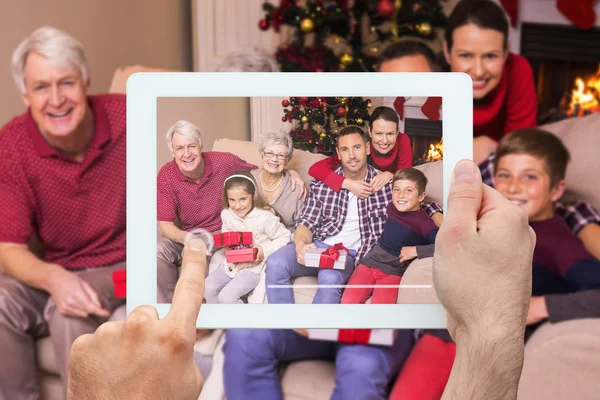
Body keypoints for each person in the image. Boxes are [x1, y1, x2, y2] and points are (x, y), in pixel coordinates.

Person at [390, 128, 600, 400]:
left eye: (530, 177)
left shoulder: (558, 243)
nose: (513, 187)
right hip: (441, 324)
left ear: (557, 189)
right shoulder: (491, 223)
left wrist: (542, 306)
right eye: (504, 176)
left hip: (470, 344)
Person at [0, 26, 126, 399]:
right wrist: (54, 278)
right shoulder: (12, 145)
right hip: (64, 269)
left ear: (85, 82)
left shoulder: (127, 117)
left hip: (128, 272)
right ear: (25, 94)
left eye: (66, 83)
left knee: (68, 309)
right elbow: (8, 249)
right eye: (41, 87)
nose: (56, 99)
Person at [156, 120, 305, 303]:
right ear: (172, 151)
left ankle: (193, 314)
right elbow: (165, 225)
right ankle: (166, 311)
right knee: (157, 250)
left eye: (192, 146)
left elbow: (264, 168)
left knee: (196, 251)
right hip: (184, 234)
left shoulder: (224, 161)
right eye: (179, 148)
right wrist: (188, 238)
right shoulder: (166, 175)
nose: (186, 154)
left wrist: (290, 172)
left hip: (216, 232)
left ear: (200, 146)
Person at [266, 125, 392, 304]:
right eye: (345, 150)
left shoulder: (385, 186)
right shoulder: (323, 185)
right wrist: (301, 245)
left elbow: (417, 205)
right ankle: (285, 328)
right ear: (338, 154)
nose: (352, 156)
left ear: (368, 148)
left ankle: (317, 332)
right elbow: (306, 222)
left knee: (329, 277)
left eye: (357, 147)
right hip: (318, 246)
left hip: (348, 254)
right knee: (276, 263)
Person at [443, 0, 537, 164]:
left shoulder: (518, 70)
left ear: (506, 53)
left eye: (490, 56)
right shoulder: (432, 74)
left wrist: (493, 146)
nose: (478, 71)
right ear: (447, 53)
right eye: (465, 55)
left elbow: (523, 148)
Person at [342, 168, 439, 304]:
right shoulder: (392, 207)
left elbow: (446, 245)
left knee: (382, 312)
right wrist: (388, 175)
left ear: (421, 196)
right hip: (370, 262)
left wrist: (415, 251)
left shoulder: (423, 223)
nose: (401, 195)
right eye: (397, 190)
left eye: (408, 190)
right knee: (348, 301)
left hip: (393, 271)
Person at [204, 171, 290, 304]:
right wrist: (227, 242)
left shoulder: (265, 217)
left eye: (243, 199)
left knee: (227, 297)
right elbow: (226, 231)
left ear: (253, 196)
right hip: (232, 264)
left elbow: (285, 236)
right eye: (232, 200)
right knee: (207, 288)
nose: (237, 206)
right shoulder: (227, 214)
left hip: (253, 268)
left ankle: (240, 325)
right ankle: (220, 323)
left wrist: (263, 250)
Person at [250, 130, 304, 230]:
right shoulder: (250, 180)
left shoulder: (296, 188)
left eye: (280, 155)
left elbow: (303, 225)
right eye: (269, 153)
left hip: (285, 240)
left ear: (287, 160)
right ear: (262, 155)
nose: (274, 159)